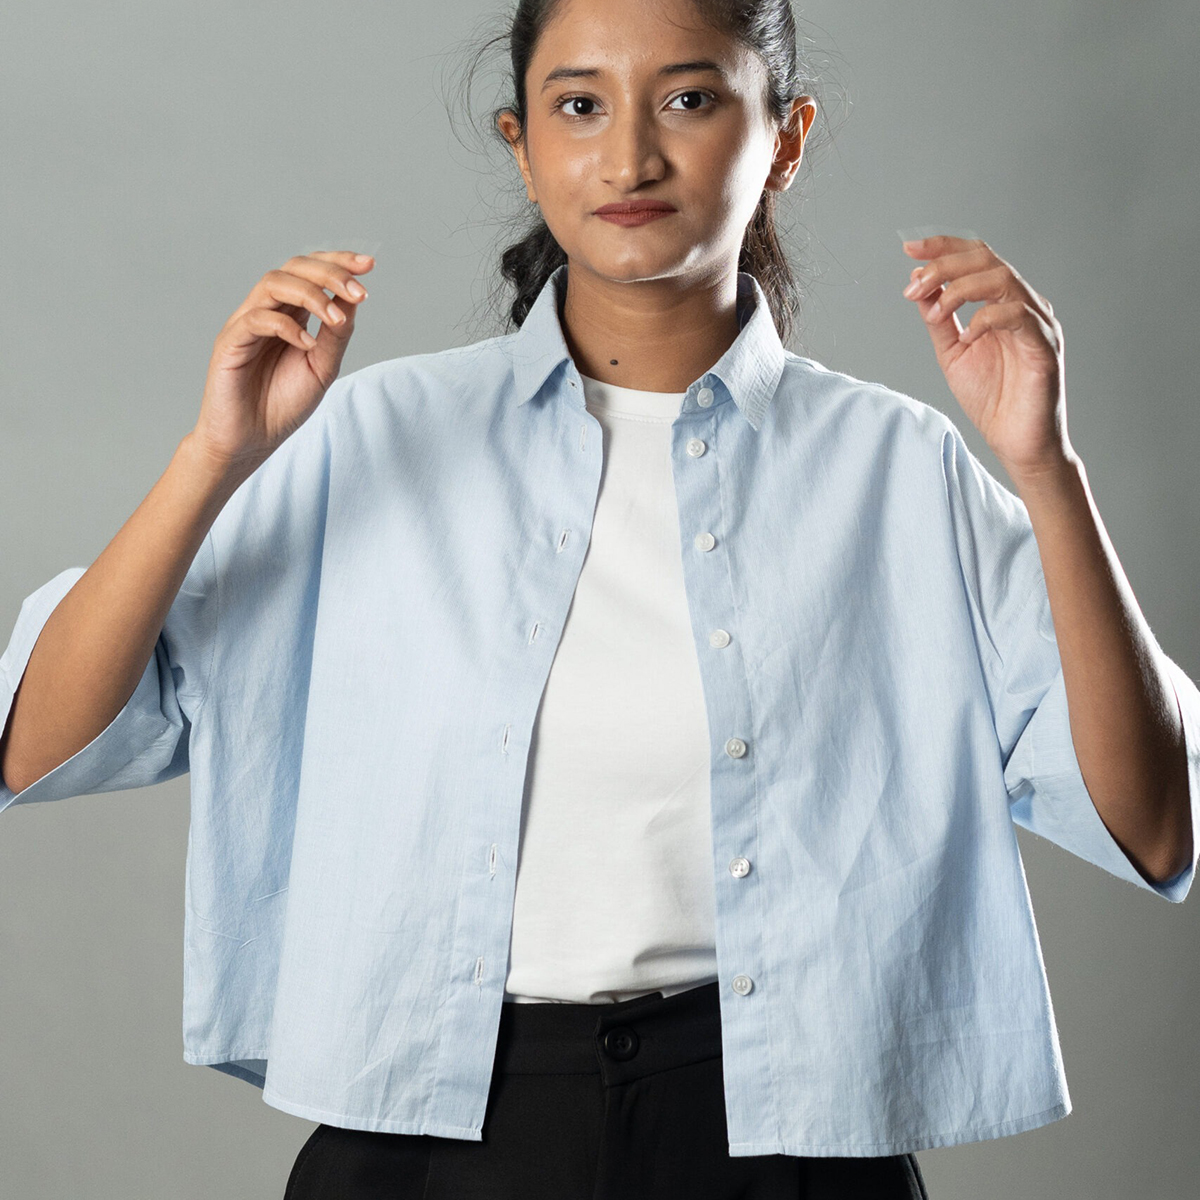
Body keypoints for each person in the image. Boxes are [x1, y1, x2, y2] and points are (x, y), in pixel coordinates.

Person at [2, 0, 1197, 1197]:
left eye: (689, 98)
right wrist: (213, 456)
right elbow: (36, 744)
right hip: (430, 1136)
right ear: (522, 144)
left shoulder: (898, 466)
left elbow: (1158, 827)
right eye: (580, 106)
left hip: (786, 1137)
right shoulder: (370, 438)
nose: (629, 157)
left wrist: (1046, 470)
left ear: (785, 137)